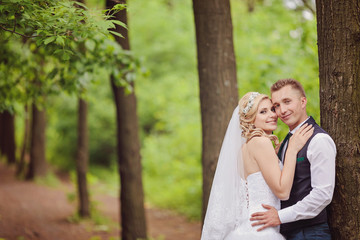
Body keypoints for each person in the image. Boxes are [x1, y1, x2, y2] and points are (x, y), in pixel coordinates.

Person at [201, 92, 314, 240]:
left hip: (248, 227)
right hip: (261, 229)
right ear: (250, 119)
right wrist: (292, 150)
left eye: (272, 109)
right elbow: (282, 192)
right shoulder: (261, 142)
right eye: (263, 112)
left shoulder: (245, 147)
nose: (272, 115)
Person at [250, 79, 336, 240]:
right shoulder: (286, 142)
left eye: (287, 102)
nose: (282, 110)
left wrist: (281, 216)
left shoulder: (319, 140)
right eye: (276, 105)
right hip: (286, 232)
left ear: (303, 101)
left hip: (310, 232)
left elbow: (322, 194)